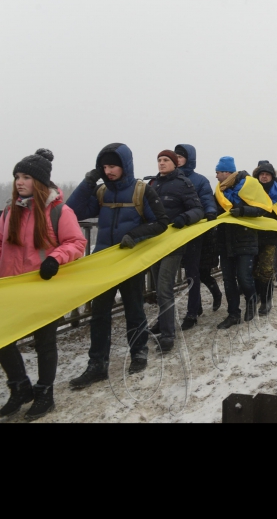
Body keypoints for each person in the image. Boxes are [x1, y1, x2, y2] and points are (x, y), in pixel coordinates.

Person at [67, 143, 170, 390]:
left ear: (124, 166)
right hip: (103, 263)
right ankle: (97, 365)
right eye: (104, 166)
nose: (108, 170)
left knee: (134, 309)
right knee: (99, 314)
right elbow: (71, 211)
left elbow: (161, 222)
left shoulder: (141, 190)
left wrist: (135, 235)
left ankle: (138, 352)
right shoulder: (101, 192)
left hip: (130, 262)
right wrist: (88, 182)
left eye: (112, 165)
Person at [0, 150, 87, 421]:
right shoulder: (8, 211)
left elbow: (76, 243)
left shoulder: (59, 210)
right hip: (12, 286)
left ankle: (45, 393)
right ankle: (20, 387)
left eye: (25, 177)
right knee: (3, 339)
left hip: (43, 286)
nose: (19, 182)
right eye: (17, 177)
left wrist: (54, 258)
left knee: (44, 342)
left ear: (39, 182)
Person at [148, 151, 204, 352]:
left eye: (166, 161)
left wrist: (184, 218)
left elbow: (198, 210)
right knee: (158, 288)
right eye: (159, 160)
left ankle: (168, 335)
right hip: (153, 244)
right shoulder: (152, 184)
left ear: (174, 164)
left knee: (164, 288)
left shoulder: (183, 183)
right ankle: (163, 325)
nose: (161, 163)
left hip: (173, 244)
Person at [174, 145, 218, 332]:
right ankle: (196, 305)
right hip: (174, 232)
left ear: (189, 159)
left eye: (181, 156)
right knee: (186, 273)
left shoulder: (199, 181)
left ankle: (193, 312)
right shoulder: (170, 178)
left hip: (194, 231)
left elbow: (207, 199)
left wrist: (209, 212)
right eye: (174, 156)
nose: (177, 159)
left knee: (194, 273)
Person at [215, 157, 262, 328]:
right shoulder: (219, 191)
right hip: (225, 240)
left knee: (244, 277)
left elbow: (261, 208)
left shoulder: (249, 185)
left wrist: (242, 210)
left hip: (245, 239)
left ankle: (251, 300)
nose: (216, 176)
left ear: (227, 172)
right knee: (228, 280)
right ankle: (233, 314)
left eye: (218, 172)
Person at [252, 162, 277, 316]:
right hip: (252, 236)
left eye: (267, 174)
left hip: (270, 237)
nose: (264, 176)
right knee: (254, 270)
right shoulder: (251, 190)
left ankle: (267, 300)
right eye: (262, 174)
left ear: (272, 176)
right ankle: (257, 295)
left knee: (266, 269)